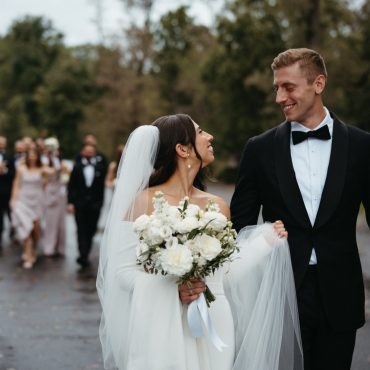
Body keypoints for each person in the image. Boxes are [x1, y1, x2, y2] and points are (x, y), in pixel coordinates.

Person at [97, 114, 303, 370]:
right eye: (201, 132)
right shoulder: (144, 202)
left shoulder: (218, 207)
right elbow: (122, 272)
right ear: (182, 149)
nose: (210, 137)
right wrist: (171, 288)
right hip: (164, 323)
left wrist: (265, 242)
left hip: (215, 321)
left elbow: (224, 276)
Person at [230, 48, 370, 370]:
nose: (280, 97)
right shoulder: (259, 149)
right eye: (277, 88)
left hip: (340, 296)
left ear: (318, 84)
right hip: (279, 296)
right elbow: (239, 227)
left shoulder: (363, 147)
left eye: (288, 87)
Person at [68, 143, 107, 268]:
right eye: (87, 151)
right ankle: (82, 254)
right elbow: (71, 186)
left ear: (94, 153)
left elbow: (102, 188)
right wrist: (70, 202)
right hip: (80, 204)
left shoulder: (100, 168)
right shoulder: (77, 167)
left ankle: (86, 251)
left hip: (95, 205)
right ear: (83, 153)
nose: (89, 154)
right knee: (81, 229)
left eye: (91, 152)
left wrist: (100, 203)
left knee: (91, 229)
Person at [11, 147, 46, 269]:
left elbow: (47, 182)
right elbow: (16, 185)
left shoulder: (42, 169)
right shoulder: (21, 169)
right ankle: (28, 254)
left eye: (34, 155)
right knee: (27, 228)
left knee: (36, 229)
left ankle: (34, 249)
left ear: (37, 156)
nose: (32, 157)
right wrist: (14, 200)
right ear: (27, 156)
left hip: (37, 202)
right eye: (30, 155)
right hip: (23, 201)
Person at [42, 137, 68, 257]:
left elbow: (66, 174)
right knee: (51, 221)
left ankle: (60, 247)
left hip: (61, 192)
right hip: (49, 192)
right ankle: (49, 246)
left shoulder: (59, 159)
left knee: (61, 222)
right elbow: (47, 172)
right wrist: (59, 169)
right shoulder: (43, 160)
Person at [0, 136, 15, 250]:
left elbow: (14, 174)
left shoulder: (10, 157)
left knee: (12, 215)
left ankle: (14, 232)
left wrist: (4, 171)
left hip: (7, 192)